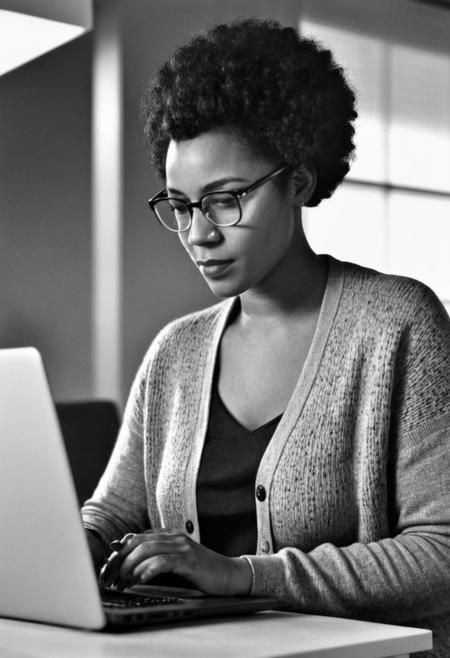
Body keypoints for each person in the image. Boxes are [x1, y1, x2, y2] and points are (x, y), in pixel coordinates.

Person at [82, 18, 450, 656]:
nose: (199, 233)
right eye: (182, 205)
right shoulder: (175, 351)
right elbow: (112, 516)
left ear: (298, 182)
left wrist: (241, 576)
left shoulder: (398, 323)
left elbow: (440, 552)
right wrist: (58, 551)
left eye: (225, 200)